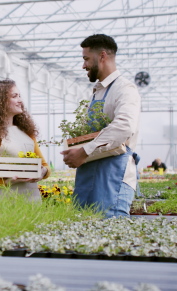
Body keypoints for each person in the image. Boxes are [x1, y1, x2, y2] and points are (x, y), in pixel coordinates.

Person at [61, 34, 141, 218]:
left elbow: (124, 127)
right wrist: (74, 147)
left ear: (102, 56)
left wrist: (83, 151)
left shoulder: (124, 89)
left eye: (86, 59)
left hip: (113, 176)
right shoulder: (98, 92)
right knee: (83, 233)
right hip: (90, 174)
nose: (83, 65)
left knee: (110, 236)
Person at [0, 79, 50, 202]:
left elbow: (45, 166)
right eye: (14, 96)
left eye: (20, 96)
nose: (20, 100)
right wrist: (6, 182)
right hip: (0, 201)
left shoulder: (27, 133)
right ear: (0, 102)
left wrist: (42, 172)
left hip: (31, 201)